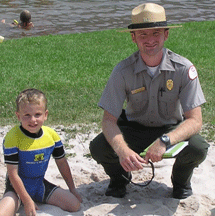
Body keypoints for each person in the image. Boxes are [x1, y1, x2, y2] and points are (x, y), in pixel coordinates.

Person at [89, 3, 209, 199]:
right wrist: (122, 151)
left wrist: (164, 140)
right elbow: (108, 121)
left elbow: (195, 120)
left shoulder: (183, 68)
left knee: (198, 148)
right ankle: (119, 179)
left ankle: (180, 181)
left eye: (156, 33)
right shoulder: (122, 71)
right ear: (133, 37)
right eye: (143, 34)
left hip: (170, 130)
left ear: (166, 35)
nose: (150, 40)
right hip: (134, 130)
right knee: (99, 147)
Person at [0, 89, 82, 216]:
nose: (33, 120)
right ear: (18, 116)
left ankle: (37, 197)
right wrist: (26, 200)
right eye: (26, 115)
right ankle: (20, 200)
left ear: (45, 115)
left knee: (74, 205)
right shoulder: (12, 138)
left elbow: (62, 163)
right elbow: (12, 174)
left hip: (39, 185)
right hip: (16, 188)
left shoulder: (52, 136)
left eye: (37, 114)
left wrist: (72, 189)